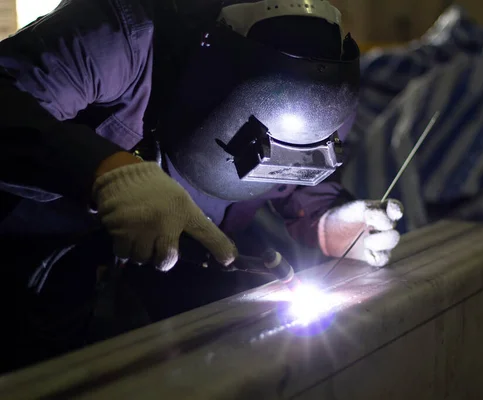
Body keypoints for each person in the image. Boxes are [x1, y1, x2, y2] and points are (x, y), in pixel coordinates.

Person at [0, 0, 403, 372]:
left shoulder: (325, 82)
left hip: (169, 263)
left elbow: (295, 170)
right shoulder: (121, 35)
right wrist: (104, 169)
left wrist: (326, 218)